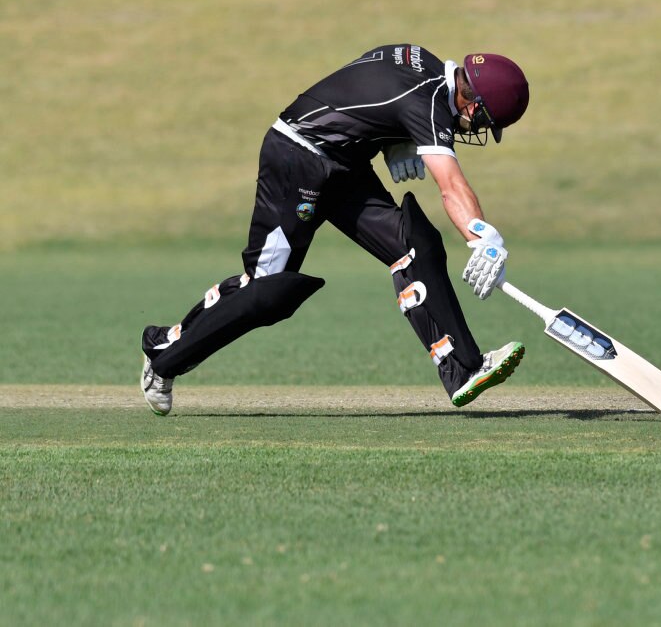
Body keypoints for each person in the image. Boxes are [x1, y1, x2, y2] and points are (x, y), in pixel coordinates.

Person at [140, 44, 530, 416]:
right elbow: (451, 186)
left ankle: (462, 367)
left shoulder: (418, 58)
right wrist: (483, 238)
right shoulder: (426, 104)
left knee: (415, 244)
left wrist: (394, 141)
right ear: (474, 104)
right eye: (483, 121)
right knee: (266, 290)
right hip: (296, 159)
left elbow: (367, 75)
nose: (476, 127)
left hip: (345, 166)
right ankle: (164, 354)